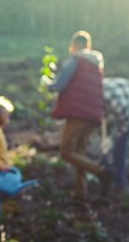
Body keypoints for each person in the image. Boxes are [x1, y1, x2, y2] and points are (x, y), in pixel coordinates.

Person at [42, 30, 113, 203]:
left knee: (66, 152)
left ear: (73, 46)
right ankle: (81, 194)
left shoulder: (75, 60)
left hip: (77, 114)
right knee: (79, 153)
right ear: (88, 46)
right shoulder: (96, 64)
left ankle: (101, 172)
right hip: (93, 115)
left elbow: (60, 84)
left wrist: (46, 83)